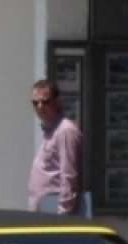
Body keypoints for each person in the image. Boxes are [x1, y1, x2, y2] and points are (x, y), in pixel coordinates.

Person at [27, 79, 82, 215]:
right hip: (42, 210)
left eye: (45, 102)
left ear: (57, 102)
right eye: (35, 103)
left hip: (54, 213)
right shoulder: (49, 130)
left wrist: (62, 217)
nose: (40, 106)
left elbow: (69, 177)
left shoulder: (65, 131)